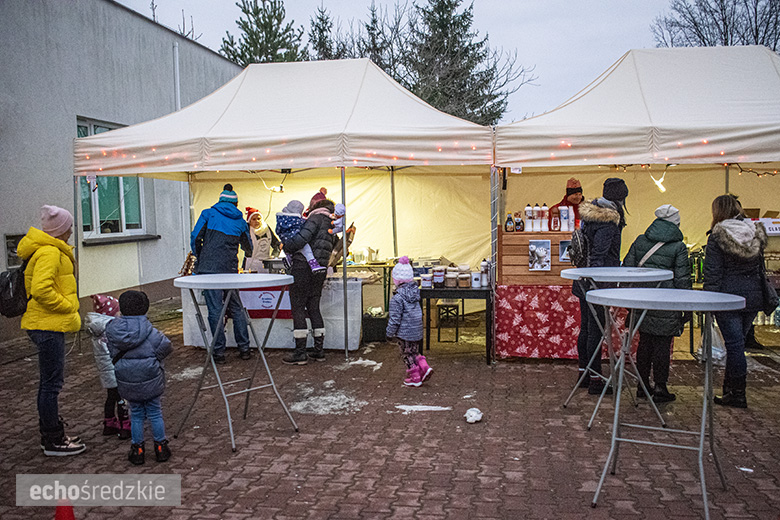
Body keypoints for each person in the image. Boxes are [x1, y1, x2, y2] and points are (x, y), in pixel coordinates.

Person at [17, 205, 85, 456]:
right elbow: (42, 289)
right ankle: (53, 439)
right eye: (68, 226)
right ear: (60, 230)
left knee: (50, 383)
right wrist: (68, 306)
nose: (71, 230)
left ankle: (53, 432)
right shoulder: (49, 253)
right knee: (51, 385)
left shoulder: (49, 250)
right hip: (47, 325)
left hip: (46, 324)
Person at [622, 204, 691, 403]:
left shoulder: (640, 241)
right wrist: (686, 307)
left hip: (642, 300)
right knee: (662, 344)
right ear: (676, 224)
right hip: (667, 302)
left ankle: (642, 386)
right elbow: (682, 279)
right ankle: (660, 386)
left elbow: (627, 268)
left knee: (644, 343)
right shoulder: (679, 247)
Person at [703, 194, 767, 408]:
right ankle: (731, 390)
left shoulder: (717, 236)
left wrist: (708, 303)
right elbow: (760, 269)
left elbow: (713, 273)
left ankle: (737, 392)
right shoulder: (755, 233)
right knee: (738, 344)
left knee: (735, 346)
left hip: (727, 297)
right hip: (753, 296)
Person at [573, 177, 629, 395]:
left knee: (586, 328)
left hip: (583, 280)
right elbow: (599, 255)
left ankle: (585, 373)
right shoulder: (607, 222)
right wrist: (598, 285)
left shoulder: (591, 216)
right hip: (596, 283)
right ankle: (595, 379)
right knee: (594, 329)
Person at [106, 290, 173, 465]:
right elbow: (166, 346)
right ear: (145, 309)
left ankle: (138, 450)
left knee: (135, 413)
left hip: (127, 379)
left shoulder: (113, 330)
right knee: (154, 412)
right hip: (151, 378)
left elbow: (111, 351)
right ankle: (160, 448)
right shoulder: (151, 333)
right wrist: (154, 359)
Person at [190, 184, 254, 363]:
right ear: (236, 203)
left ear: (220, 200)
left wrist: (199, 254)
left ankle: (219, 352)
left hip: (209, 269)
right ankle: (245, 348)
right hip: (230, 269)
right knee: (236, 307)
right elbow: (248, 248)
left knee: (215, 309)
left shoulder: (208, 214)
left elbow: (195, 237)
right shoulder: (241, 221)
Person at [280, 194, 338, 364]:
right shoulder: (331, 222)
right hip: (320, 269)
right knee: (314, 307)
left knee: (298, 307)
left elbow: (301, 239)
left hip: (302, 267)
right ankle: (319, 351)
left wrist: (286, 245)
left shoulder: (316, 218)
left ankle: (300, 353)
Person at [84, 294, 130, 438]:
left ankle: (109, 423)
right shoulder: (112, 328)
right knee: (121, 398)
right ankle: (125, 425)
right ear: (110, 314)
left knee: (110, 397)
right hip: (116, 369)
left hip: (105, 371)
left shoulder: (96, 329)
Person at [385, 256, 432, 387]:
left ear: (397, 280)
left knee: (406, 354)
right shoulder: (415, 293)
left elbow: (395, 319)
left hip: (404, 332)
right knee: (414, 351)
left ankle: (415, 377)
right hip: (416, 329)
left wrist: (389, 333)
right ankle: (424, 365)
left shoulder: (397, 298)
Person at [275, 200, 326, 272]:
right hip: (297, 240)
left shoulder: (281, 219)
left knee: (292, 250)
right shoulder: (297, 220)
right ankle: (313, 264)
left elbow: (277, 230)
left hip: (287, 240)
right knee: (307, 251)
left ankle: (288, 257)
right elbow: (305, 228)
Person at [243, 207, 280, 273]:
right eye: (254, 219)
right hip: (251, 264)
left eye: (258, 219)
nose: (256, 221)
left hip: (266, 264)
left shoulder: (266, 229)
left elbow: (277, 244)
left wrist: (274, 256)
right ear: (249, 221)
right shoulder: (246, 230)